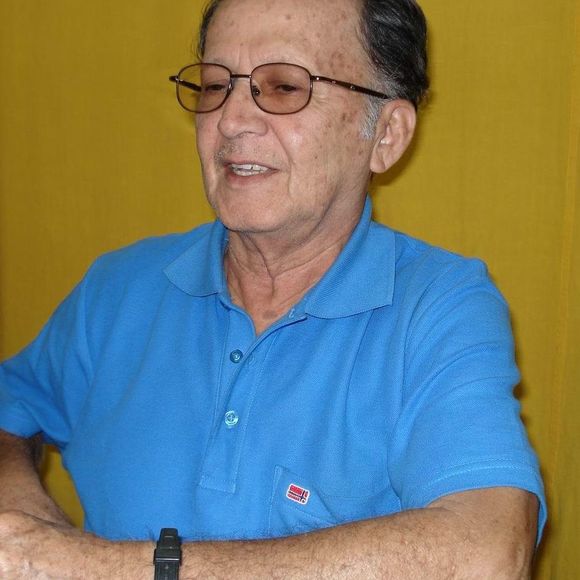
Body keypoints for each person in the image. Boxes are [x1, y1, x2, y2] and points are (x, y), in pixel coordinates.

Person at [0, 0, 546, 577]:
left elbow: (487, 550)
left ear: (386, 135)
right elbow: (13, 405)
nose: (231, 120)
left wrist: (97, 567)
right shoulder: (120, 288)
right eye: (216, 86)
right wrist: (24, 521)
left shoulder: (437, 306)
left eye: (285, 87)